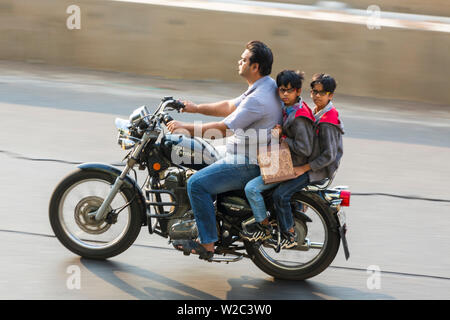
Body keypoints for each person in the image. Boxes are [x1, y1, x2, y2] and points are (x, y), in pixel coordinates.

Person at [166, 40, 282, 260]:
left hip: (248, 162)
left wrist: (185, 128)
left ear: (255, 66)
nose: (239, 61)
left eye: (244, 59)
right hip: (243, 152)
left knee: (196, 184)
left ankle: (207, 243)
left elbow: (224, 128)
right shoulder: (266, 86)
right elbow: (230, 106)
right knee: (200, 154)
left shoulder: (258, 99)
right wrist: (195, 108)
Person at [240, 70, 315, 248]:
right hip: (284, 160)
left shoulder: (300, 117)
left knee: (251, 189)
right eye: (282, 90)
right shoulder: (290, 108)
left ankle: (264, 228)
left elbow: (305, 148)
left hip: (291, 165)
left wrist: (282, 136)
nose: (285, 94)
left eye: (289, 90)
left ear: (298, 91)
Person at [270, 73, 344, 249]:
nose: (317, 96)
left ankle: (290, 234)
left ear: (330, 95)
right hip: (311, 163)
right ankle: (296, 210)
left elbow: (329, 156)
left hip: (318, 169)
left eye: (322, 93)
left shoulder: (328, 120)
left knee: (280, 194)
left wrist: (304, 168)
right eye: (314, 92)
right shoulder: (317, 111)